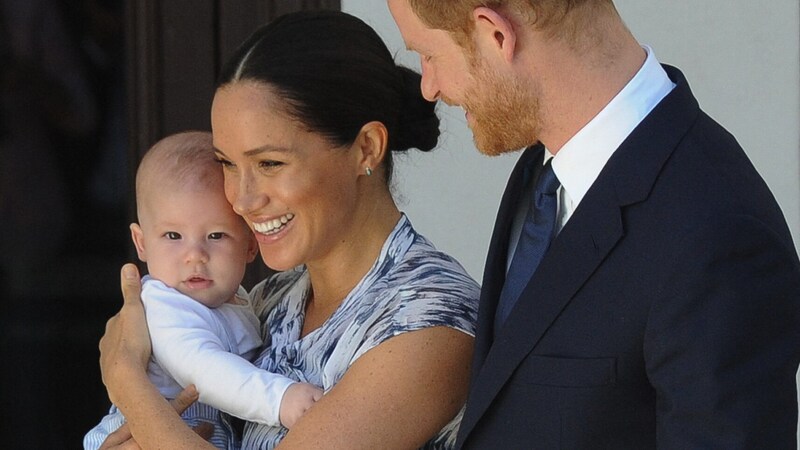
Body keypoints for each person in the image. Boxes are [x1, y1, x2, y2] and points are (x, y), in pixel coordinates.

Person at [387, 0, 800, 448]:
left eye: (428, 55)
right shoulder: (544, 170)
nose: (429, 87)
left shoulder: (718, 233)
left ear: (496, 35)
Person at [96, 10, 480, 450]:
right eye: (227, 164)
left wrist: (126, 378)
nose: (241, 198)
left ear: (366, 148)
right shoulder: (266, 302)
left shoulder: (430, 321)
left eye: (270, 164)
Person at [85, 131, 323, 449]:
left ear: (250, 245)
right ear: (141, 243)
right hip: (136, 436)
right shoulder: (163, 306)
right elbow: (204, 370)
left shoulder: (241, 301)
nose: (195, 255)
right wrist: (280, 399)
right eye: (172, 236)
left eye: (215, 236)